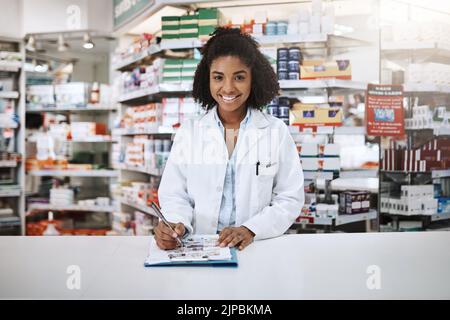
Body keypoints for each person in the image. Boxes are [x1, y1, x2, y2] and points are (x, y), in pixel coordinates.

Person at [155, 27, 304, 251]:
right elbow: (174, 194)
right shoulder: (190, 131)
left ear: (254, 79)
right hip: (200, 248)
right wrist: (178, 225)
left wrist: (251, 229)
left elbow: (289, 198)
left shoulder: (275, 131)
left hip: (255, 248)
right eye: (218, 77)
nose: (228, 88)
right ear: (207, 80)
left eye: (239, 77)